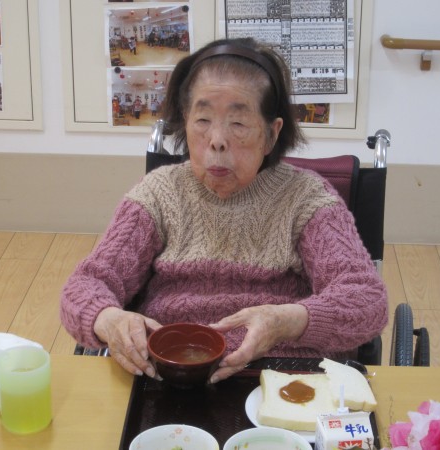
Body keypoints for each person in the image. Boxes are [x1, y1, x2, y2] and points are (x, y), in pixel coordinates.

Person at [60, 37, 388, 383]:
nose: (216, 140)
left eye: (238, 123)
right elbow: (86, 284)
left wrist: (286, 321)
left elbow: (367, 300)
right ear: (185, 121)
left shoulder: (307, 199)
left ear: (271, 134)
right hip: (167, 374)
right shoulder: (158, 194)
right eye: (202, 119)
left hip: (280, 376)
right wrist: (109, 318)